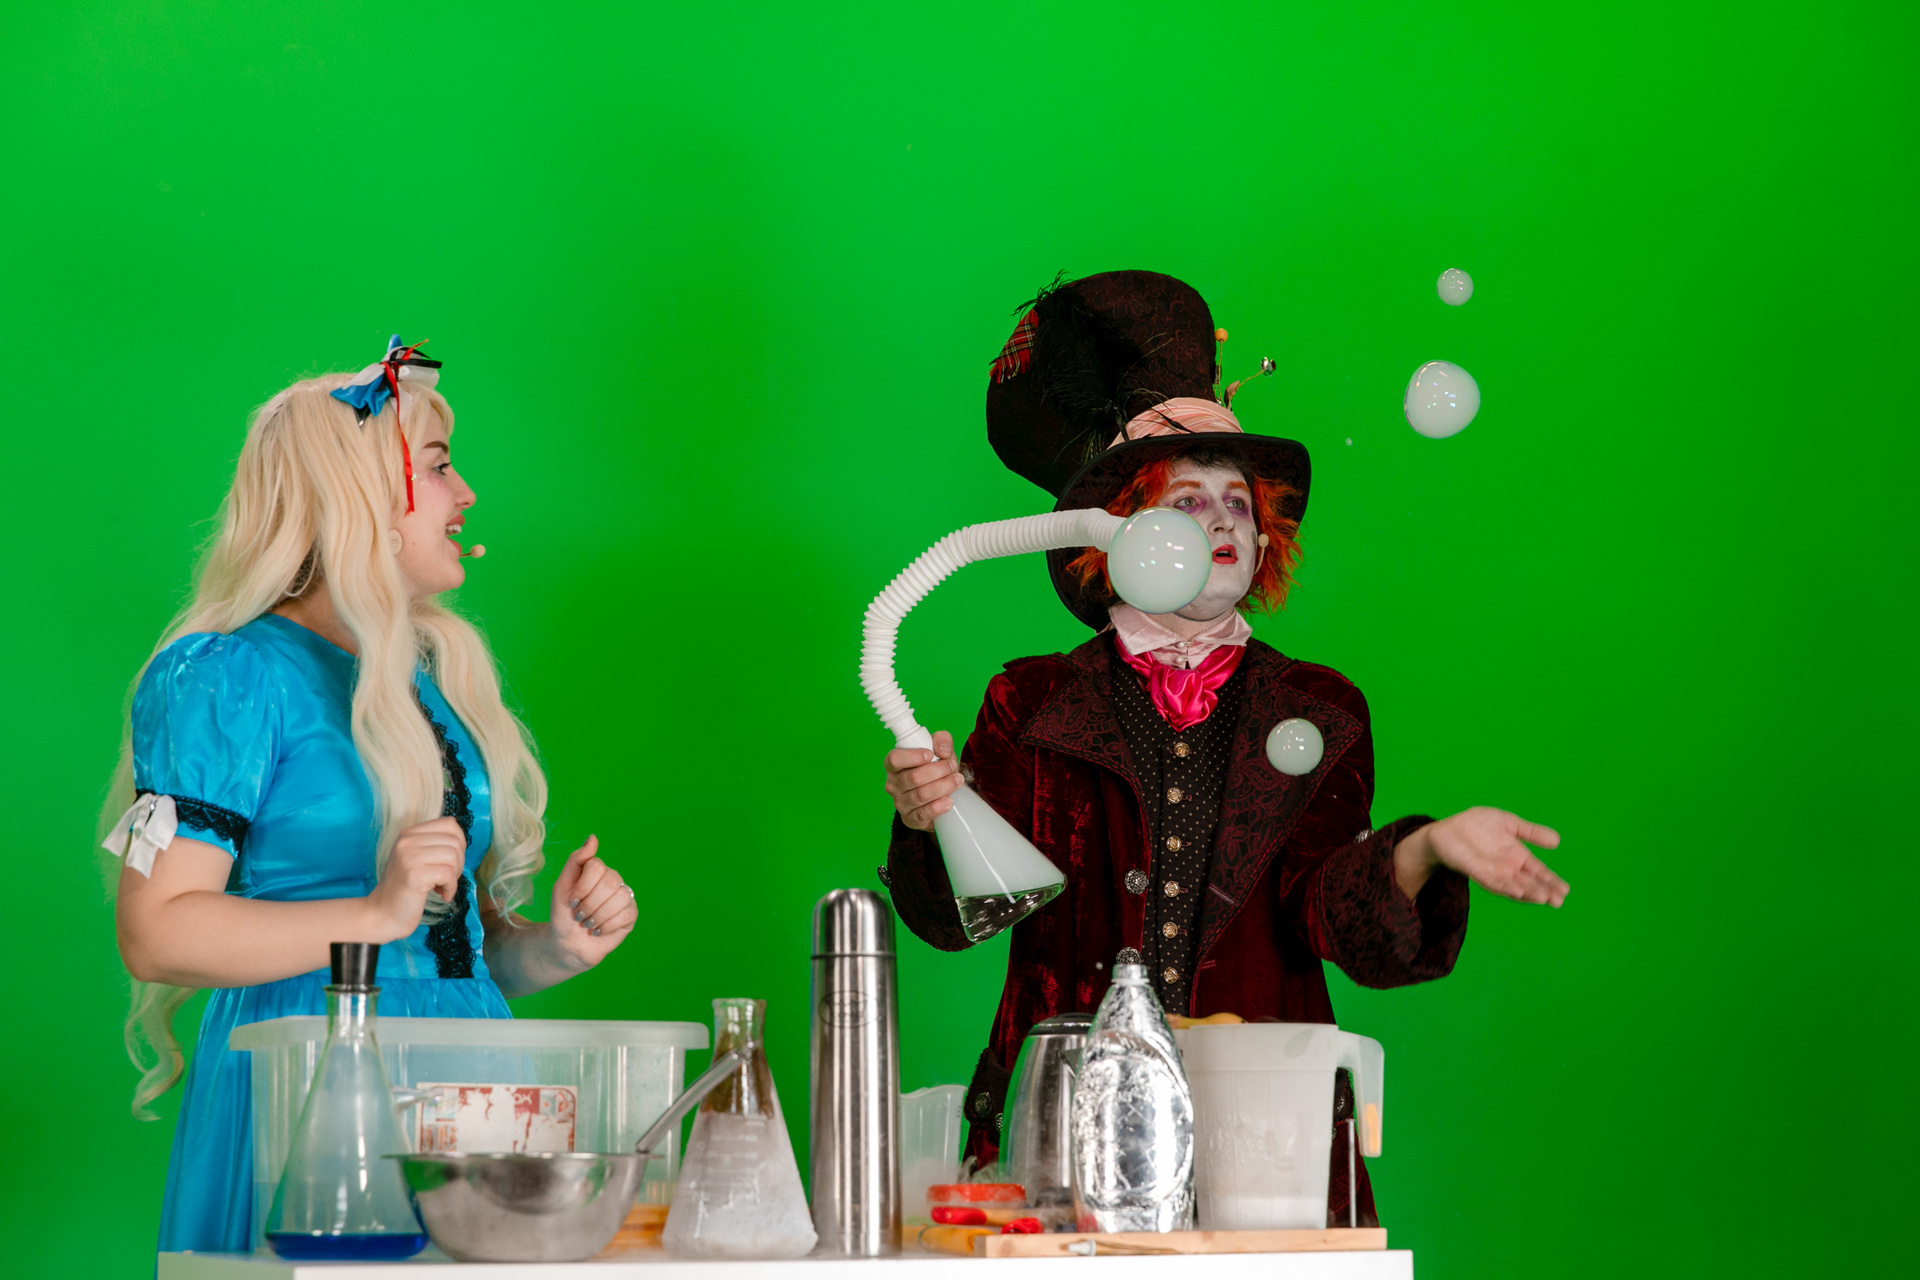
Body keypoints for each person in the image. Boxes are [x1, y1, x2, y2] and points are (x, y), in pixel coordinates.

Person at [880, 272, 1570, 1225]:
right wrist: (929, 817)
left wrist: (1425, 848)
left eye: (1237, 503)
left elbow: (1329, 912)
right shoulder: (1031, 700)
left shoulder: (1320, 708)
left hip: (1264, 1147)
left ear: (1266, 540)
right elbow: (961, 918)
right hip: (1063, 1140)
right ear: (1117, 532)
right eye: (1186, 498)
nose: (1218, 521)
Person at [99, 338, 638, 1253]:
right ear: (357, 497)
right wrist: (373, 913)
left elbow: (438, 955)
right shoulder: (224, 677)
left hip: (464, 1097)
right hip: (309, 1094)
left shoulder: (428, 676)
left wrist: (552, 950)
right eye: (438, 465)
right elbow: (157, 934)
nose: (466, 493)